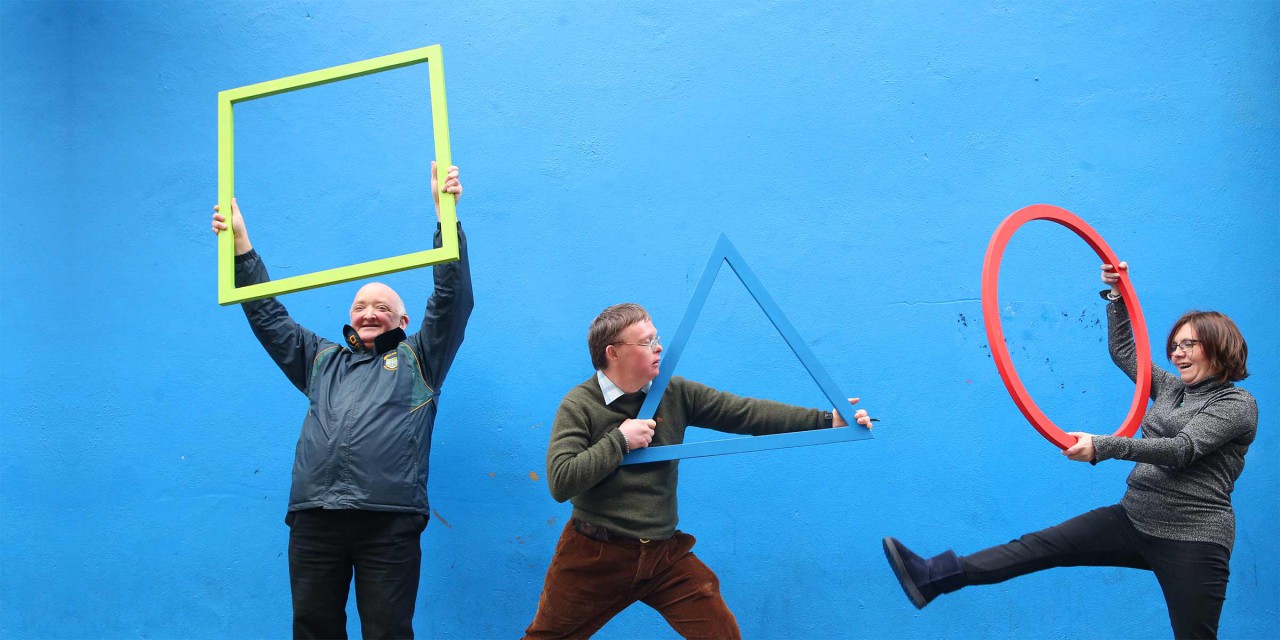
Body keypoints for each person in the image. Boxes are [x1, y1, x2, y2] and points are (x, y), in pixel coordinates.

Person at [883, 261, 1257, 639]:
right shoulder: (1173, 389)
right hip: (1134, 517)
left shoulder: (1236, 403)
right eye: (1173, 346)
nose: (1176, 354)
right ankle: (933, 576)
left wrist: (1102, 446)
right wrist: (1116, 294)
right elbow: (1126, 352)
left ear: (1218, 345)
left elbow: (1182, 450)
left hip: (1193, 538)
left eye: (1187, 345)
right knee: (1038, 546)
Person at [210, 163, 471, 639]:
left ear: (403, 319)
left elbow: (452, 299)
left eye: (383, 308)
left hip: (387, 521)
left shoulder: (421, 358)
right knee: (313, 629)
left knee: (387, 632)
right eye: (360, 306)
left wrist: (445, 216)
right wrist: (241, 246)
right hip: (315, 519)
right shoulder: (321, 360)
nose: (369, 312)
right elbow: (269, 315)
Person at [523, 303, 874, 639]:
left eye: (657, 338)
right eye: (646, 342)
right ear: (613, 353)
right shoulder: (579, 404)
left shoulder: (674, 392)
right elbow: (560, 481)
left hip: (663, 556)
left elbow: (745, 413)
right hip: (595, 555)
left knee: (721, 633)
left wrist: (826, 420)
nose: (659, 348)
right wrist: (620, 440)